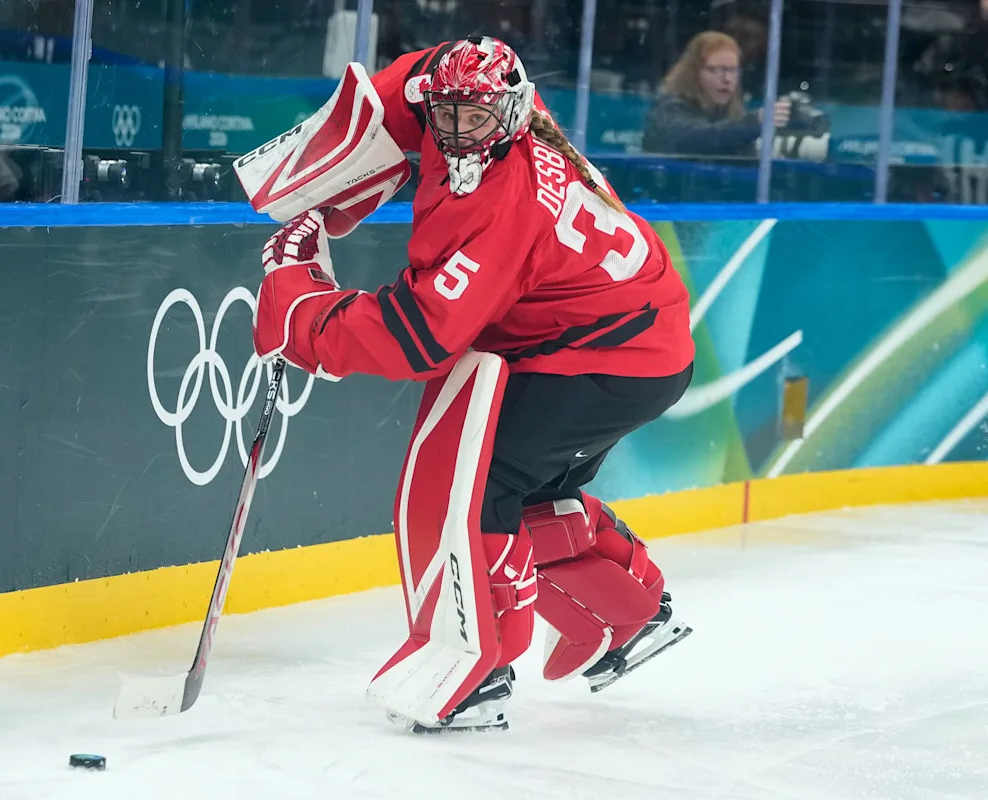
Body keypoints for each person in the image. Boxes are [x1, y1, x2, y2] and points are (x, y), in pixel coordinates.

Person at [252, 36, 695, 732]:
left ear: (512, 115)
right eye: (446, 114)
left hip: (605, 356)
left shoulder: (498, 208)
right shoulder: (498, 108)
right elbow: (424, 78)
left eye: (475, 118)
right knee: (531, 491)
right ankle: (629, 612)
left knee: (475, 487)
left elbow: (416, 336)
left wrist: (298, 304)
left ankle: (477, 665)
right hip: (634, 342)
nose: (457, 133)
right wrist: (324, 171)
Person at [642, 31, 791, 157]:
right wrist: (755, 122)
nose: (727, 79)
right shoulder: (668, 109)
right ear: (693, 73)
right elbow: (700, 139)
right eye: (715, 70)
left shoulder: (731, 114)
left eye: (733, 70)